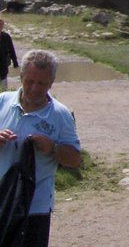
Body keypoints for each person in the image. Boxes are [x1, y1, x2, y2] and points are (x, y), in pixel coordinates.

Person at [0, 49, 82, 246]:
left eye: (42, 83)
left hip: (35, 206)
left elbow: (75, 160)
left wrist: (53, 148)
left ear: (51, 83)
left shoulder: (60, 115)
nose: (35, 88)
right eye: (30, 81)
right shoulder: (2, 101)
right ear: (20, 77)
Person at [0, 17, 18, 90]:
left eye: (1, 24)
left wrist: (15, 62)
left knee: (3, 87)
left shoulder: (6, 37)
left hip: (3, 65)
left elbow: (11, 49)